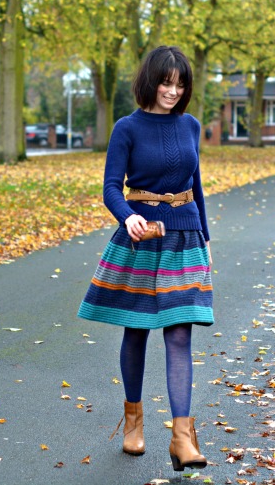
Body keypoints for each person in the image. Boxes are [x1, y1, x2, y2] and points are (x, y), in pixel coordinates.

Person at [78, 45, 213, 471]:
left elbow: (197, 184)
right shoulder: (127, 128)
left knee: (179, 333)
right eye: (166, 81)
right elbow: (111, 188)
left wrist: (206, 238)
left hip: (184, 237)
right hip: (141, 238)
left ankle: (182, 437)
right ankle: (133, 422)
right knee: (136, 330)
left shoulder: (190, 126)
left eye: (180, 83)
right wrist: (128, 216)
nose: (173, 90)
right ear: (150, 81)